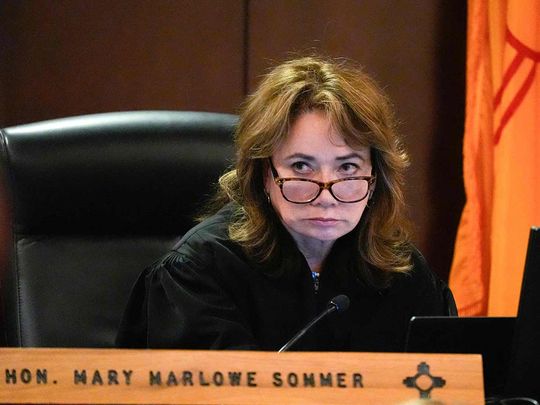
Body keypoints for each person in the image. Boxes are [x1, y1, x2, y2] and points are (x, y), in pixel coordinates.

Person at [116, 56, 457, 351]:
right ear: (264, 173)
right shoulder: (197, 273)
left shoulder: (404, 275)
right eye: (301, 167)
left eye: (347, 167)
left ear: (375, 178)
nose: (325, 195)